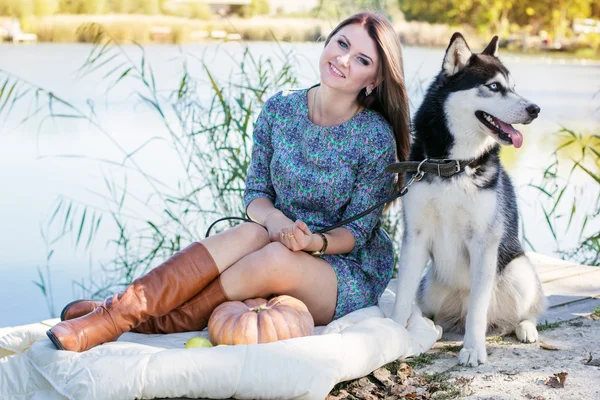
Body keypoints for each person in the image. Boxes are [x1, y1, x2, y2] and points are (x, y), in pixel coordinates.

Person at [47, 11, 411, 352]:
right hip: (273, 235)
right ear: (328, 41)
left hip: (338, 265)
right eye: (342, 44)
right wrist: (275, 221)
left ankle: (138, 321)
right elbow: (255, 196)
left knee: (273, 258)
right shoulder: (281, 109)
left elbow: (358, 234)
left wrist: (311, 241)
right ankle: (117, 313)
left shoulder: (374, 137)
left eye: (363, 60)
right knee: (250, 233)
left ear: (374, 80)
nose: (344, 60)